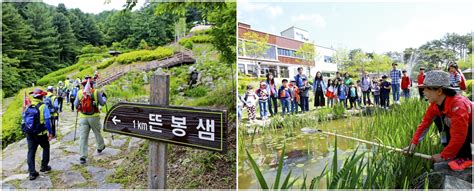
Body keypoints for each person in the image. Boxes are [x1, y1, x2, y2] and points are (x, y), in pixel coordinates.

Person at [404, 70, 472, 171]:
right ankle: (453, 152)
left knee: (453, 123)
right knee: (440, 118)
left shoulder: (458, 105)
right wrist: (413, 144)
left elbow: (459, 135)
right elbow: (424, 125)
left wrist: (443, 155)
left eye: (426, 89)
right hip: (463, 129)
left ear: (439, 91)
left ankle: (466, 157)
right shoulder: (435, 106)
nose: (423, 92)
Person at [22, 88, 54, 180]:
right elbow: (47, 121)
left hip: (30, 133)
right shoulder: (43, 106)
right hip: (41, 133)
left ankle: (32, 173)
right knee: (46, 147)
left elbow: (24, 118)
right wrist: (50, 132)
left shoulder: (28, 105)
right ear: (42, 97)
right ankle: (44, 167)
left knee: (31, 152)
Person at [74, 77, 106, 164]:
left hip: (83, 118)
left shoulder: (80, 92)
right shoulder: (96, 92)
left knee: (83, 137)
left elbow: (75, 105)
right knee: (97, 132)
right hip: (94, 117)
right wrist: (104, 98)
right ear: (92, 84)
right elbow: (103, 103)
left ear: (83, 85)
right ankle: (100, 147)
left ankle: (82, 156)